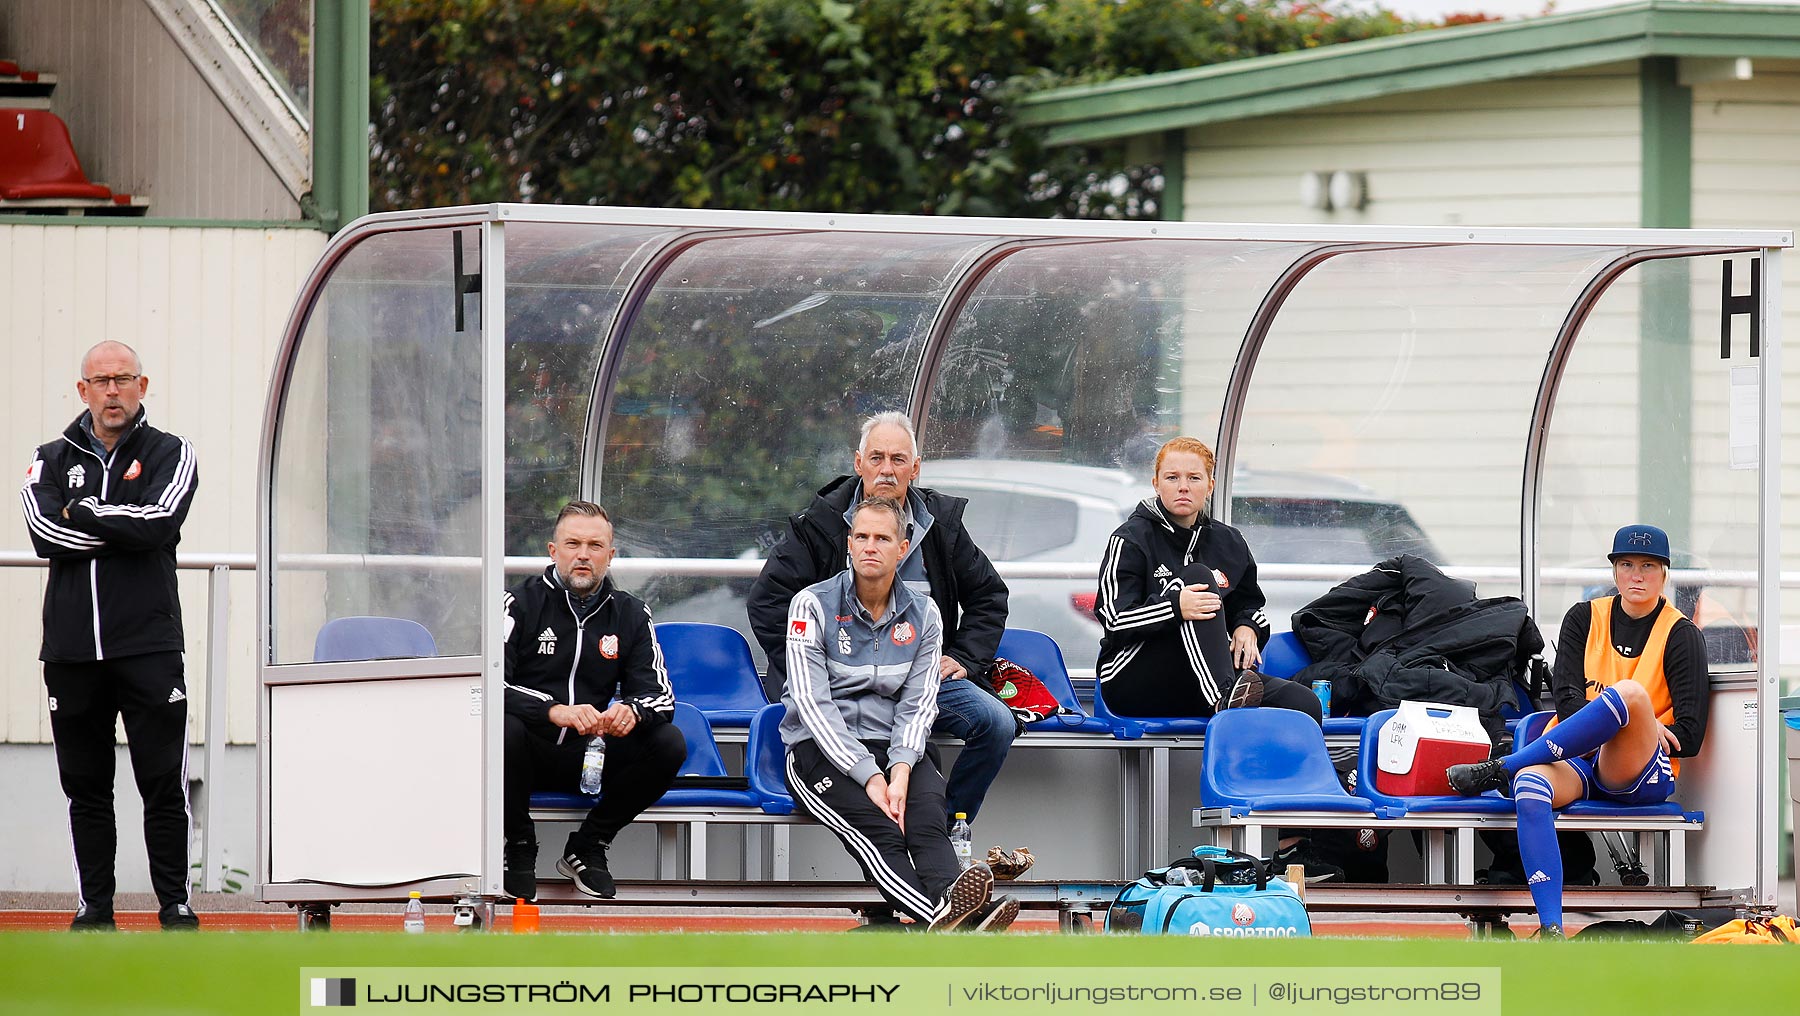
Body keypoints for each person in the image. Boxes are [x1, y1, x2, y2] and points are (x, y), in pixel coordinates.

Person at [748, 412, 1014, 826]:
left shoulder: (941, 524)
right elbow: (767, 603)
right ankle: (909, 837)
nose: (886, 470)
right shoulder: (821, 522)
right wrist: (817, 669)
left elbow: (989, 595)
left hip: (920, 682)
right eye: (876, 458)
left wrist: (965, 656)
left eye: (897, 459)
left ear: (916, 467)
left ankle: (946, 826)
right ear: (858, 464)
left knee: (997, 723)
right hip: (843, 686)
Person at [1448, 524, 1709, 938]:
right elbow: (1566, 701)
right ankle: (1552, 930)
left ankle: (1503, 765)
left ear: (1664, 573)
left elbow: (1689, 736)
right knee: (1531, 785)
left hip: (1638, 773)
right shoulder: (1584, 617)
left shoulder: (1681, 634)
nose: (1636, 575)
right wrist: (1623, 719)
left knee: (1632, 694)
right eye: (1626, 565)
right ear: (1615, 572)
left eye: (1647, 566)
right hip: (1575, 758)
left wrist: (1635, 720)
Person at [21, 341, 201, 931]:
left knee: (160, 782)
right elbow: (44, 532)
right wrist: (117, 522)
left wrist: (87, 511)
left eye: (123, 379)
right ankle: (95, 909)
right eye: (101, 381)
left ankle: (174, 905)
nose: (113, 391)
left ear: (142, 386)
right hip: (72, 651)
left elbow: (161, 522)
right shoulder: (48, 458)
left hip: (148, 645)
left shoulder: (171, 451)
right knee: (87, 788)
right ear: (83, 391)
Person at [780, 496, 1017, 932]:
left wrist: (902, 769)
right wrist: (870, 775)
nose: (871, 546)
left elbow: (919, 701)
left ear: (902, 548)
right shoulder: (810, 605)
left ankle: (955, 921)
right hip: (821, 754)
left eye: (883, 538)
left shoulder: (925, 613)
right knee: (883, 835)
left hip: (895, 750)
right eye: (862, 537)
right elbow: (813, 706)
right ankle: (956, 922)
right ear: (849, 545)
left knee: (928, 824)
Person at [502, 500, 684, 901]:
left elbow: (661, 695)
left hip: (591, 757)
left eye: (595, 546)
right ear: (554, 551)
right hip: (526, 755)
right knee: (501, 728)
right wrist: (552, 710)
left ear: (610, 555)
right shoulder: (519, 602)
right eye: (573, 543)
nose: (583, 555)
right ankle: (517, 846)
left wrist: (631, 711)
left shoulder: (631, 613)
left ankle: (589, 845)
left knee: (669, 741)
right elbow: (487, 684)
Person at [1095, 436, 1319, 722]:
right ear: (1156, 484)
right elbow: (1114, 620)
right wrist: (1175, 607)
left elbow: (1250, 606)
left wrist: (1247, 626)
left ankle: (1249, 746)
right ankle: (1224, 697)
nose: (1183, 487)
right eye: (1172, 477)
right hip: (1134, 678)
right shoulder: (1130, 539)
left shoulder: (1229, 541)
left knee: (1303, 702)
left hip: (1200, 679)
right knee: (1198, 576)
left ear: (1210, 485)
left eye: (1194, 478)